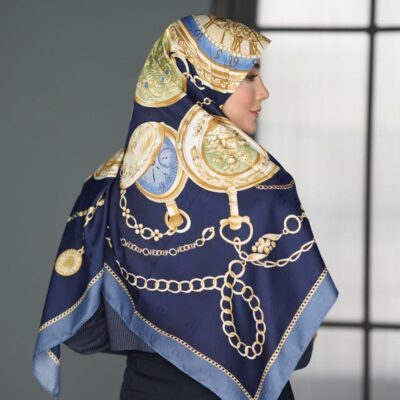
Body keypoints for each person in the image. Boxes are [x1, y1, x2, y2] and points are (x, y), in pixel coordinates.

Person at [32, 14, 338, 400]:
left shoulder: (110, 185)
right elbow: (297, 348)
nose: (263, 92)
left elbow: (83, 332)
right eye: (249, 77)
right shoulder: (263, 186)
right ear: (204, 79)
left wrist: (154, 331)